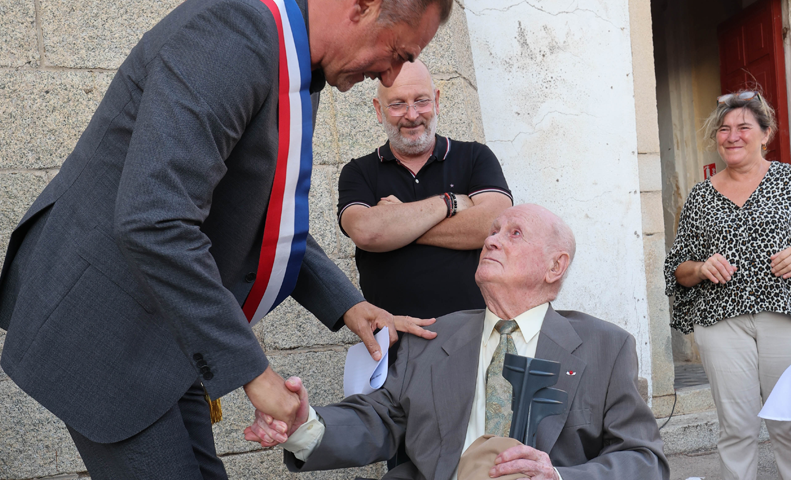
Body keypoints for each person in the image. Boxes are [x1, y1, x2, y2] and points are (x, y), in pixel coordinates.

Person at [0, 0, 453, 478]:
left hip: (159, 329)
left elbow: (264, 212)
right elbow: (156, 221)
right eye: (396, 52)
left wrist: (349, 305)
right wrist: (253, 373)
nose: (390, 74)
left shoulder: (291, 57)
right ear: (364, 2)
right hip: (105, 329)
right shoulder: (234, 35)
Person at [247, 204, 669, 480]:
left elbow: (645, 460)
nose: (491, 240)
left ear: (555, 266)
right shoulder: (433, 336)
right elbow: (378, 419)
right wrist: (304, 424)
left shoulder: (604, 347)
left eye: (515, 233)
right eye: (493, 230)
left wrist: (558, 476)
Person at [664, 90, 791, 480]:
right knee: (736, 427)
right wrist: (702, 267)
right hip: (721, 322)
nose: (732, 136)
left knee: (788, 423)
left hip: (782, 318)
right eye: (724, 129)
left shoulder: (788, 182)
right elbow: (677, 269)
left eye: (743, 127)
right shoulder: (701, 196)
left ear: (765, 134)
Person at [337, 59, 512, 321]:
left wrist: (396, 227)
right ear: (378, 109)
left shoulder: (475, 157)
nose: (412, 114)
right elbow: (367, 232)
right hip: (394, 338)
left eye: (421, 100)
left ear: (437, 101)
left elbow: (494, 224)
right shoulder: (358, 172)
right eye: (397, 104)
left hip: (474, 335)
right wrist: (448, 203)